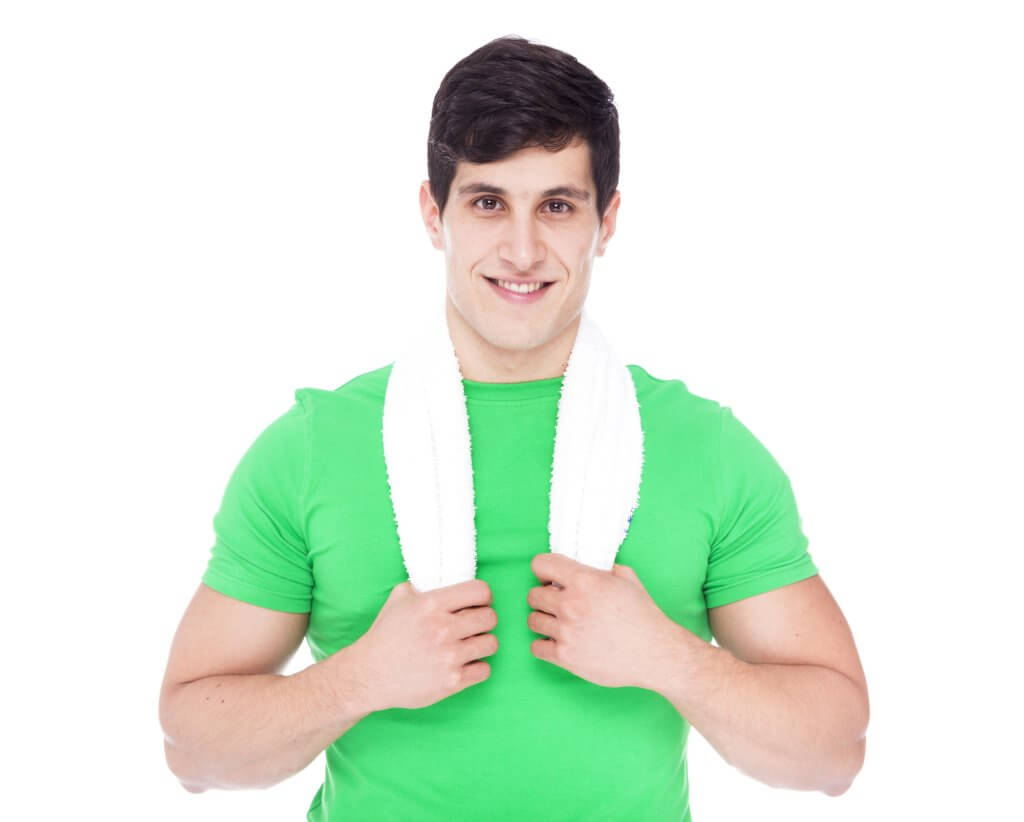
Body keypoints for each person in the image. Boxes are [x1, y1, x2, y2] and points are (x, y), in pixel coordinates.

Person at [158, 34, 869, 821]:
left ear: (606, 222)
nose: (522, 250)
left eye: (557, 206)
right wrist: (358, 681)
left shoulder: (706, 450)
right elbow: (193, 753)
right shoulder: (311, 450)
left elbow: (833, 755)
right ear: (434, 214)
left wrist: (669, 659)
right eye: (488, 202)